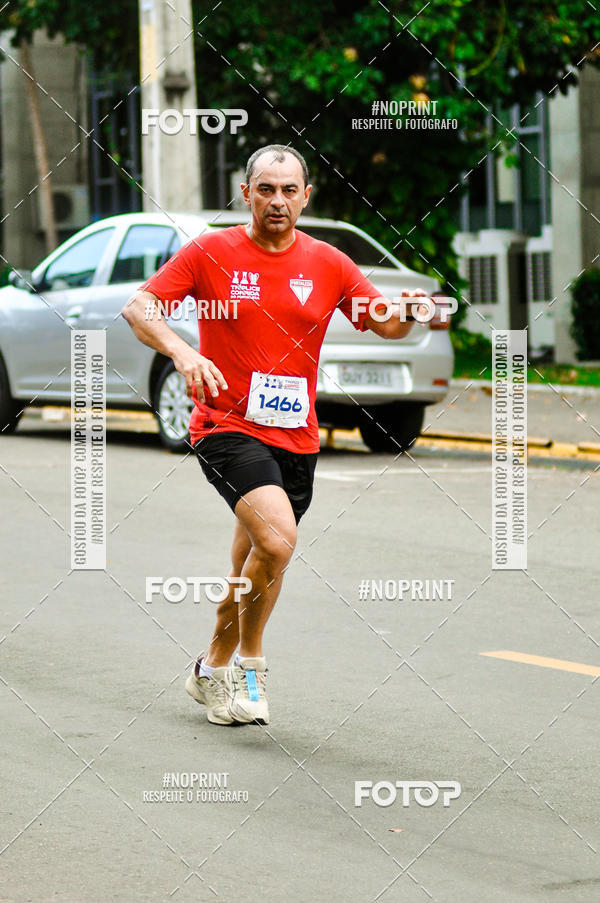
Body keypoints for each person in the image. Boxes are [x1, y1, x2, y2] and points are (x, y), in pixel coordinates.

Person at [123, 144, 435, 726]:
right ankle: (250, 667)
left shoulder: (329, 262)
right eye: (266, 189)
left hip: (296, 435)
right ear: (246, 194)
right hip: (225, 424)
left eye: (289, 190)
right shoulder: (212, 252)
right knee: (276, 541)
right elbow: (139, 308)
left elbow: (385, 324)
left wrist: (411, 313)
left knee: (261, 559)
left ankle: (209, 667)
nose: (277, 201)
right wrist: (183, 353)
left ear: (305, 196)